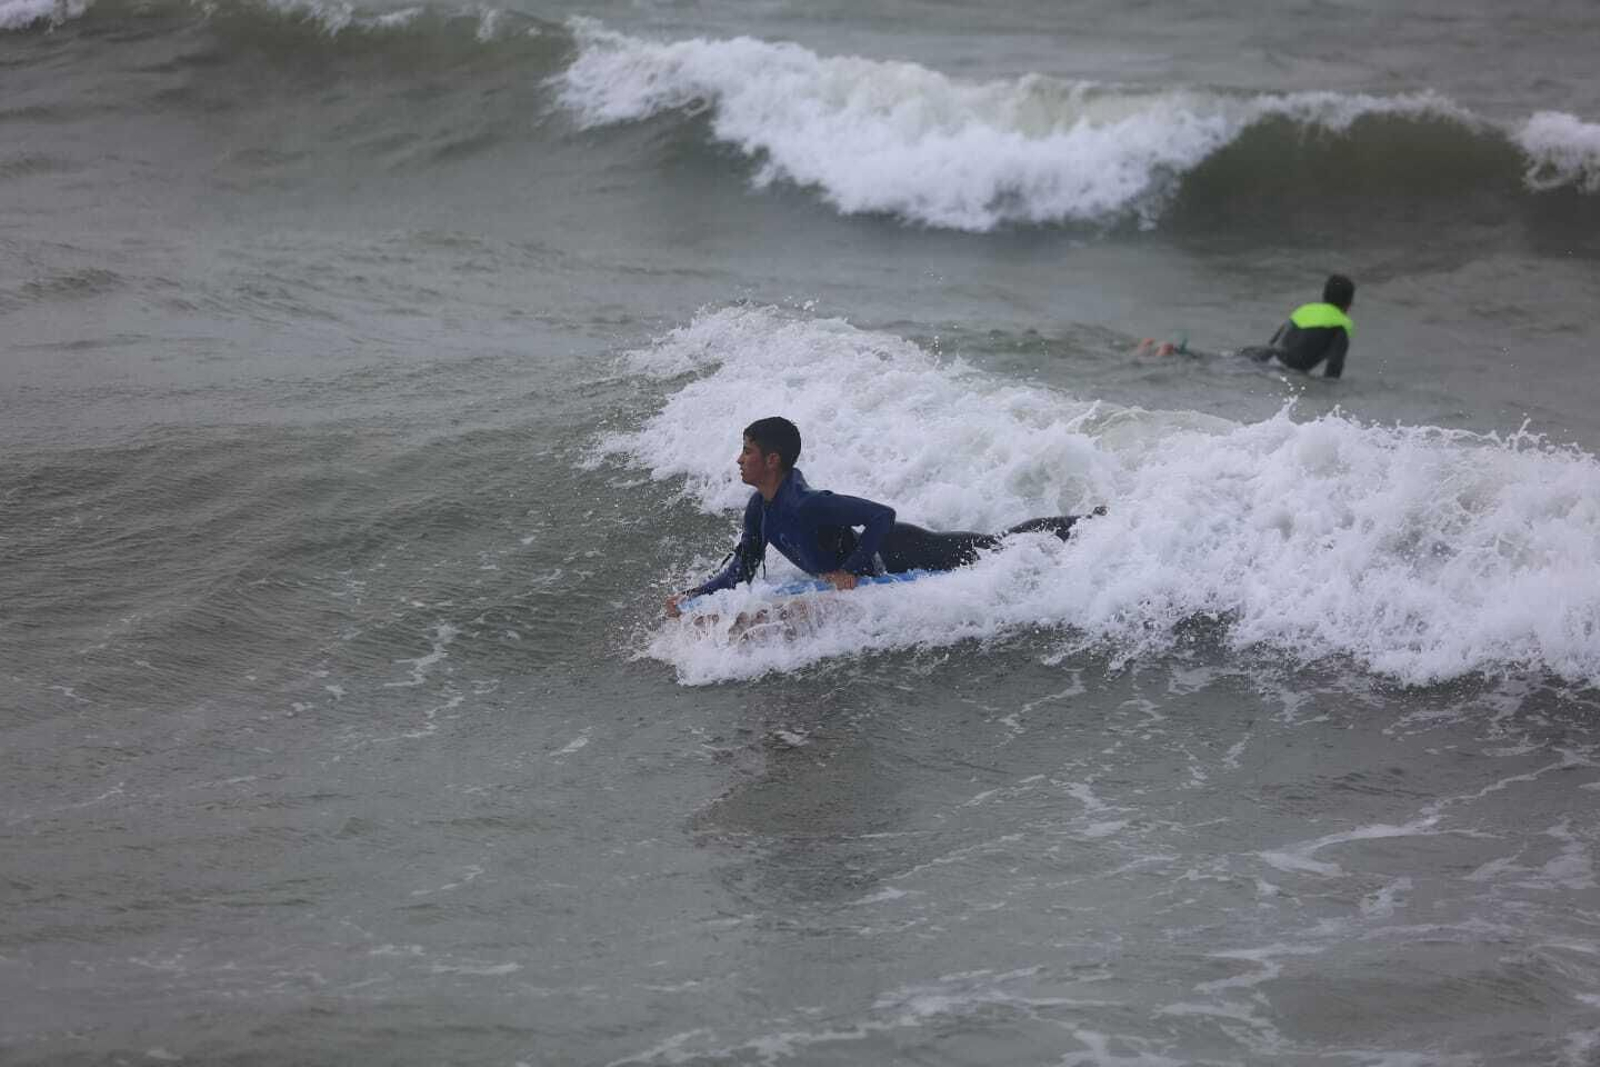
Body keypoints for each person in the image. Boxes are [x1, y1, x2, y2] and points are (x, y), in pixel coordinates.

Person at [664, 417, 1098, 617]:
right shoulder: (760, 507)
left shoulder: (809, 503)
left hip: (905, 551)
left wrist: (850, 570)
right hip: (886, 555)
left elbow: (882, 516)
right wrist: (695, 595)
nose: (739, 460)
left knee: (1000, 547)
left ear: (772, 460)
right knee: (997, 544)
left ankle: (1087, 525)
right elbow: (743, 567)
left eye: (747, 451)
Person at [1135, 274, 1356, 379]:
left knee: (1217, 359)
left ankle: (1167, 349)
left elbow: (1275, 340)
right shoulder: (1341, 325)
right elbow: (1334, 366)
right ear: (1348, 303)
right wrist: (1329, 390)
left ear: (1324, 295)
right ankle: (1168, 351)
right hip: (1276, 364)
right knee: (1217, 368)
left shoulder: (1304, 310)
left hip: (1263, 351)